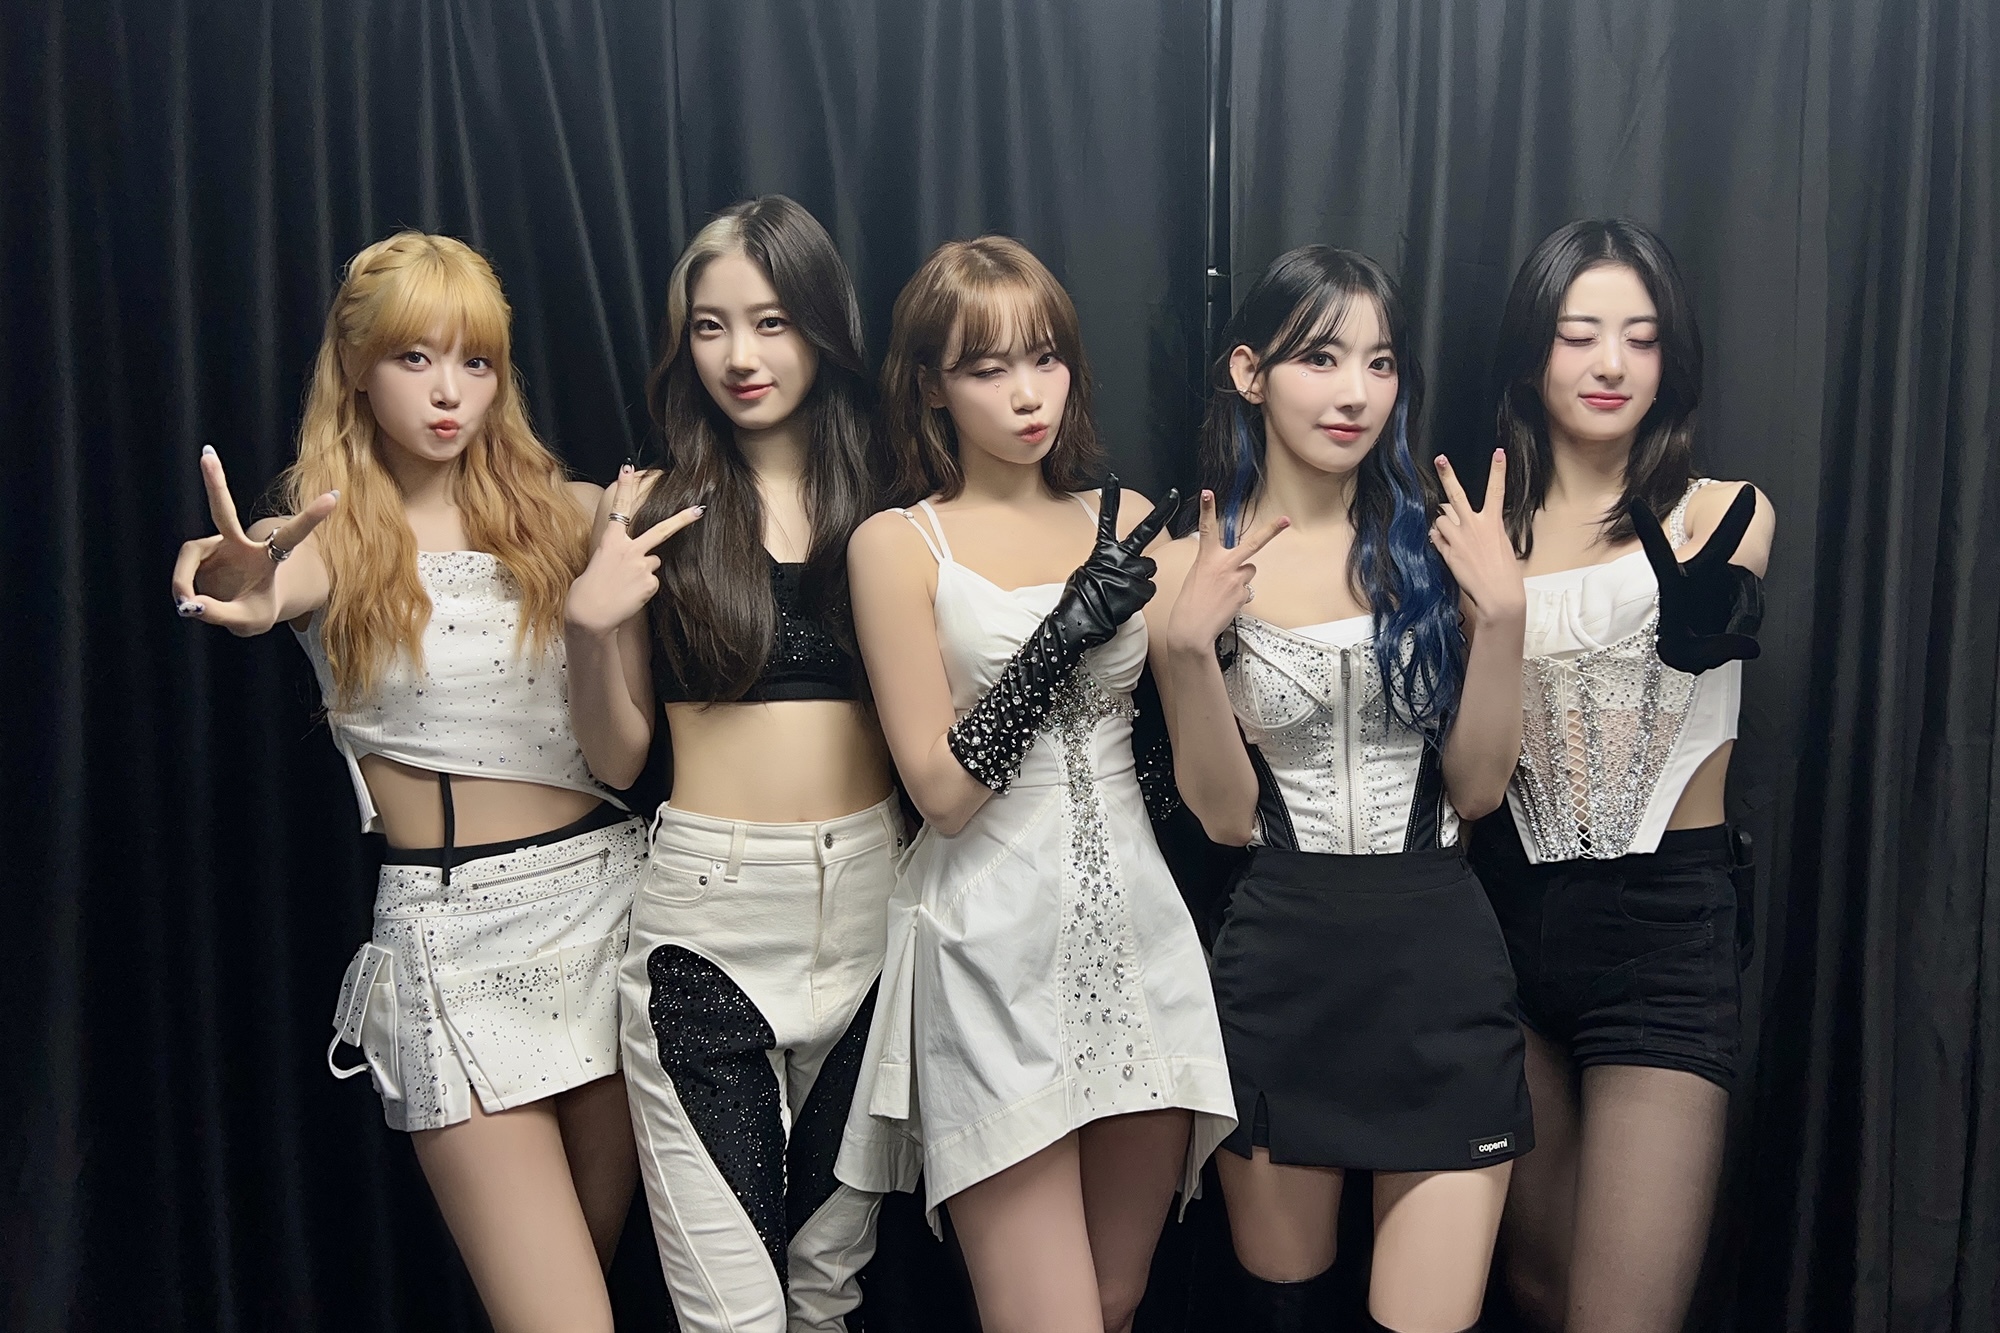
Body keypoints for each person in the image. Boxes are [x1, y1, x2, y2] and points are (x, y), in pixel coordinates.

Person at [170, 232, 644, 1332]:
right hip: (451, 939)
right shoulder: (329, 534)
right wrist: (245, 581)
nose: (447, 391)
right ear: (356, 366)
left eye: (475, 361)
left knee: (607, 1284)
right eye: (414, 357)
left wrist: (601, 601)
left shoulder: (572, 515)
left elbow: (624, 756)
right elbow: (262, 575)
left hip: (612, 911)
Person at [834, 235, 1235, 1333]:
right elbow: (938, 790)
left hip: (1138, 938)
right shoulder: (896, 544)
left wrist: (1195, 645)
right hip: (987, 948)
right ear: (931, 386)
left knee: (1114, 1301)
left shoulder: (1128, 512)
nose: (1026, 393)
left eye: (1045, 358)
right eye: (986, 366)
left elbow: (1217, 796)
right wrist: (1061, 635)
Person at [1155, 245, 1533, 1333]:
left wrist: (1503, 620)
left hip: (1439, 964)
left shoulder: (1442, 549)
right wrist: (1185, 652)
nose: (1356, 391)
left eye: (1379, 361)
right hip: (1282, 964)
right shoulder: (1190, 563)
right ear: (1249, 372)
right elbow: (1225, 818)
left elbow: (1476, 790)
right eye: (1320, 357)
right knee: (1286, 1313)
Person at [561, 195, 897, 1333]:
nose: (741, 355)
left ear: (821, 327)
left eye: (770, 321)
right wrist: (590, 624)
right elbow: (619, 756)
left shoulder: (891, 497)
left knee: (825, 1294)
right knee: (733, 1316)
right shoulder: (652, 506)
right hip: (708, 921)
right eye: (710, 327)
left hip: (876, 909)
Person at [1470, 217, 1774, 1333]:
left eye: (1640, 338)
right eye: (1579, 333)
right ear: (1531, 352)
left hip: (1664, 929)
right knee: (1535, 1290)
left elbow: (1722, 605)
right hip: (1504, 917)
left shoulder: (1722, 512)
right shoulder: (1479, 534)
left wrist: (1704, 614)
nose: (1611, 363)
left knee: (1622, 1313)